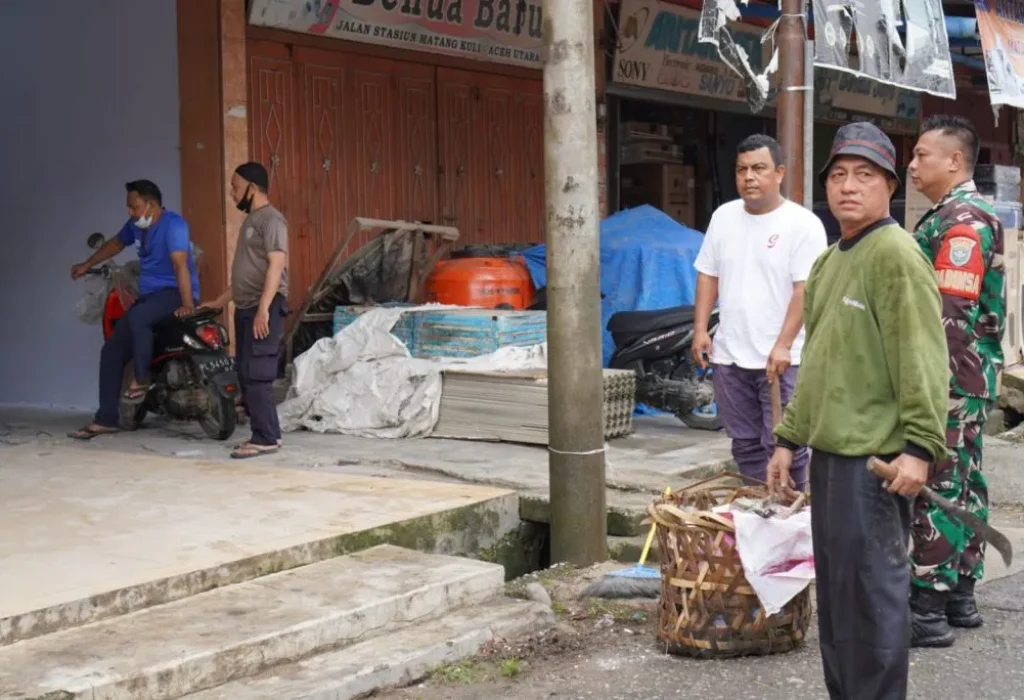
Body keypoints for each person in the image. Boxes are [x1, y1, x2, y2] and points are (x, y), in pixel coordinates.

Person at [766, 122, 949, 699]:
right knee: (840, 601)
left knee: (872, 600)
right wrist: (788, 439)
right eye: (839, 175)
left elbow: (922, 357)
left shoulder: (895, 255)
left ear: (890, 185)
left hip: (876, 462)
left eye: (864, 175)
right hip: (831, 458)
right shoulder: (828, 262)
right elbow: (820, 359)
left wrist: (919, 447)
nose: (849, 186)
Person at [906, 114, 1005, 647]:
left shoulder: (961, 220)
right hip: (971, 376)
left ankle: (927, 607)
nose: (912, 165)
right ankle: (960, 594)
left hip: (949, 376)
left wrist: (924, 383)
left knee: (938, 484)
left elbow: (949, 314)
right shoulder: (959, 214)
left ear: (955, 161)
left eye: (922, 155)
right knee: (966, 480)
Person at [692, 134, 827, 490]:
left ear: (779, 173)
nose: (749, 177)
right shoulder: (723, 217)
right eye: (742, 170)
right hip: (730, 355)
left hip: (781, 359)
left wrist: (783, 344)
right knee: (745, 444)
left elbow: (805, 289)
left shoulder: (803, 224)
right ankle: (757, 507)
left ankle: (789, 513)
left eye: (759, 168)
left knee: (785, 444)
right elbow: (708, 274)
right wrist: (701, 329)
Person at [69, 180, 199, 440]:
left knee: (139, 316)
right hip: (150, 298)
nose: (130, 212)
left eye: (134, 207)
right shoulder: (137, 225)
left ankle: (141, 379)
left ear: (151, 205)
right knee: (111, 351)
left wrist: (188, 304)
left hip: (174, 293)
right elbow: (116, 244)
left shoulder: (173, 225)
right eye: (129, 207)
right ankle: (106, 419)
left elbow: (180, 265)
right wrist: (87, 264)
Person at [196, 162, 288, 459]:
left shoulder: (271, 219)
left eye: (235, 187)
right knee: (246, 371)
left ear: (252, 187)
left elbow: (276, 264)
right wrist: (220, 301)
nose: (232, 193)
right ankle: (271, 434)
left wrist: (264, 309)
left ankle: (264, 438)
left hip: (264, 307)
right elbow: (245, 273)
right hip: (247, 306)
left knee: (257, 373)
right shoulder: (252, 220)